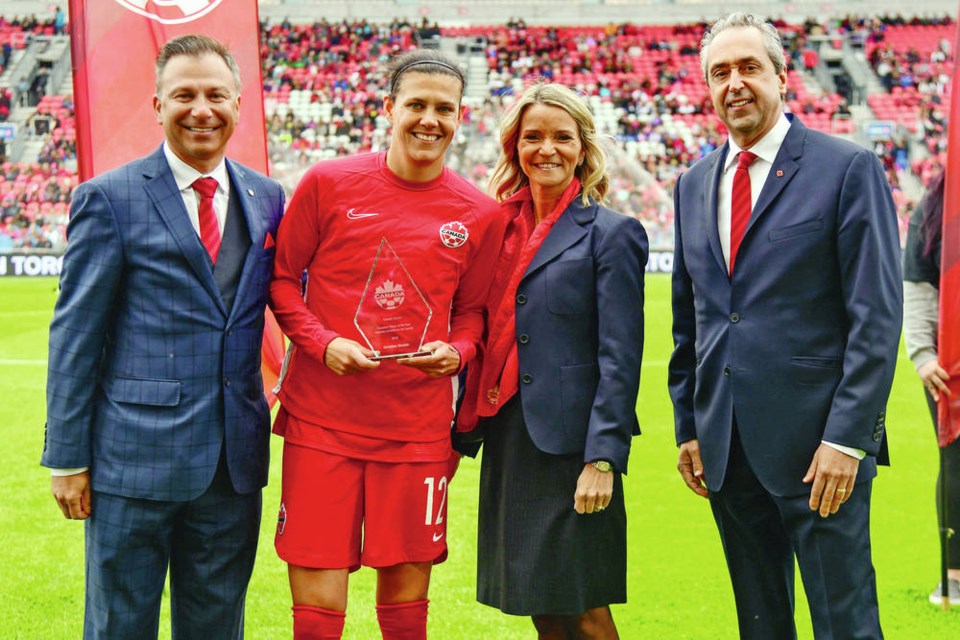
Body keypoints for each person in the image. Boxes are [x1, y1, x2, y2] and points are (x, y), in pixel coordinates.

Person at [42, 34, 285, 638]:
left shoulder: (268, 197)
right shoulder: (109, 198)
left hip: (233, 467)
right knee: (121, 625)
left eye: (214, 95)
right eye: (183, 95)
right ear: (157, 105)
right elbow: (75, 334)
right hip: (131, 464)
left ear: (238, 103)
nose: (200, 108)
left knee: (216, 626)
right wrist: (67, 457)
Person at [668, 13, 902, 639]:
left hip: (819, 450)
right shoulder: (692, 185)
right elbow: (691, 321)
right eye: (720, 72)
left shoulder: (846, 168)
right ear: (707, 87)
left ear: (782, 76)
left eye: (749, 68)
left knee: (844, 624)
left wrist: (848, 440)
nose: (735, 83)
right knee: (760, 626)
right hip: (726, 449)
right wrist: (689, 426)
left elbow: (875, 318)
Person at [269, 49, 503, 639]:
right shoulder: (327, 182)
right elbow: (279, 280)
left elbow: (471, 312)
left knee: (405, 616)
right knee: (318, 617)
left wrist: (459, 352)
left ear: (460, 117)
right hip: (322, 421)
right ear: (388, 109)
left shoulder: (479, 213)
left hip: (418, 430)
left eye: (443, 108)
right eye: (416, 104)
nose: (429, 119)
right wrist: (323, 344)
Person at [458, 82, 647, 639]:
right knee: (542, 602)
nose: (547, 149)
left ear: (584, 149)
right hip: (514, 437)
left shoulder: (613, 234)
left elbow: (621, 356)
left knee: (586, 607)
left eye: (562, 137)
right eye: (532, 137)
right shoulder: (497, 229)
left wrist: (603, 459)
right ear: (514, 146)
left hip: (574, 445)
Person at [902, 169, 960, 605]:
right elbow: (918, 284)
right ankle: (955, 575)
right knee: (956, 462)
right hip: (949, 365)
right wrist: (923, 353)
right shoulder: (936, 208)